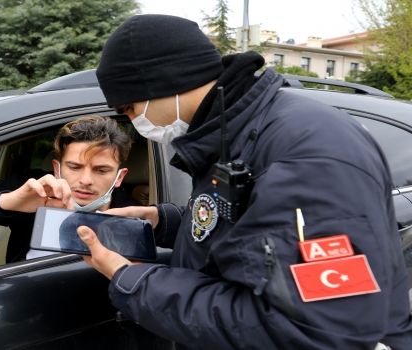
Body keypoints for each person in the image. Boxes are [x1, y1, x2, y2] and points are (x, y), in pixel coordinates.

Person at [75, 14, 412, 349]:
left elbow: (318, 330)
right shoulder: (237, 133)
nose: (133, 121)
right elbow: (253, 237)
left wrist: (133, 280)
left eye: (129, 107)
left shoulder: (307, 151)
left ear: (162, 82)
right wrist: (165, 222)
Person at [0, 116, 143, 263]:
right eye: (75, 167)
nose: (86, 180)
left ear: (119, 177)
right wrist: (10, 202)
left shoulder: (133, 216)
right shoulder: (32, 188)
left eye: (101, 170)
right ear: (57, 168)